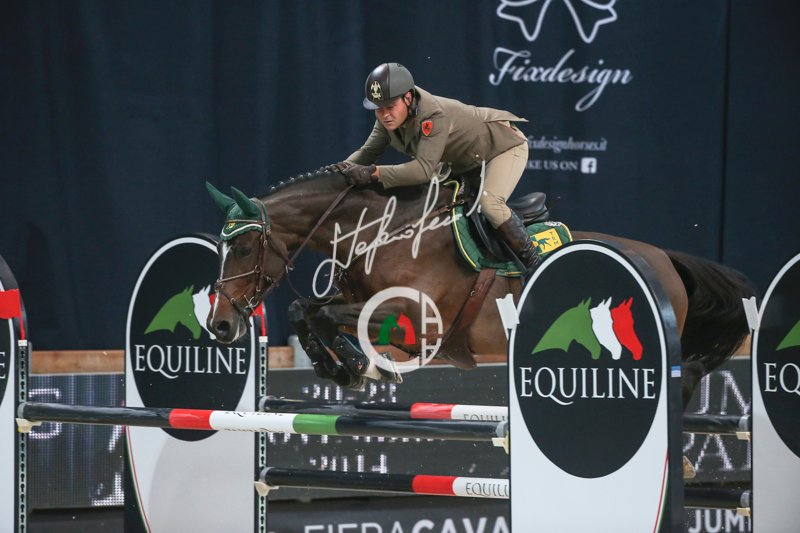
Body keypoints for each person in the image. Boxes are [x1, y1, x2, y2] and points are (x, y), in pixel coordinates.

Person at [338, 62, 539, 271]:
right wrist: (340, 169)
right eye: (379, 109)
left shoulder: (433, 115)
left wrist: (374, 173)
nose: (385, 114)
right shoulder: (386, 119)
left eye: (390, 107)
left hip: (502, 147)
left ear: (408, 98)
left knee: (490, 204)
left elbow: (423, 170)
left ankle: (534, 265)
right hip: (465, 161)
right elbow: (367, 152)